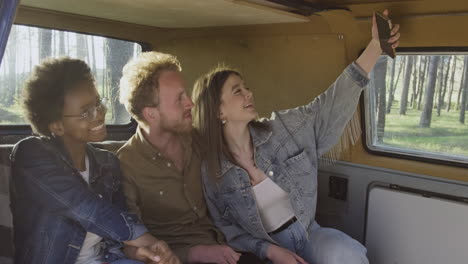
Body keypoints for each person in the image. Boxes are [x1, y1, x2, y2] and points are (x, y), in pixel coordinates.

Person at [191, 10, 400, 264]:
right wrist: (269, 251)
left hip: (308, 234)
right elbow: (227, 229)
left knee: (347, 254)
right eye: (238, 91)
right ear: (218, 110)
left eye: (246, 87)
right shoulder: (211, 170)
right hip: (265, 251)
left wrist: (375, 48)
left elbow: (330, 105)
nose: (249, 93)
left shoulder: (284, 128)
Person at [10, 57, 180, 264]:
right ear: (57, 126)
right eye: (85, 112)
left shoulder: (108, 163)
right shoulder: (30, 154)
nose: (99, 115)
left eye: (98, 103)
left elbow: (116, 240)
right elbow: (86, 208)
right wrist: (144, 238)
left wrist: (141, 252)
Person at [117, 52, 264, 264]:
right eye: (179, 99)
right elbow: (129, 242)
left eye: (186, 94)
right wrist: (194, 253)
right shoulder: (126, 166)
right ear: (151, 114)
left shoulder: (200, 141)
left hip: (232, 246)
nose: (190, 103)